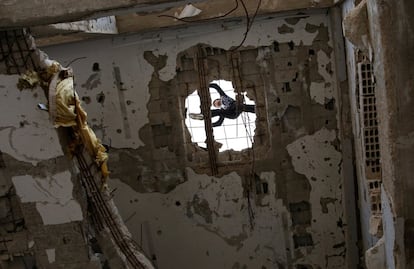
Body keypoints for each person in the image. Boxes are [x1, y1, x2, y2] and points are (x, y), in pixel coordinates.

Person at [189, 83, 255, 127]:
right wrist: (210, 125)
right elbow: (219, 123)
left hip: (235, 105)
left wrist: (207, 85)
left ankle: (256, 109)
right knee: (219, 112)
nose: (217, 104)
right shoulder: (222, 110)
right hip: (232, 113)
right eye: (216, 105)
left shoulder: (223, 96)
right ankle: (203, 115)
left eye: (216, 102)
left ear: (218, 99)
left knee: (242, 106)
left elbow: (217, 87)